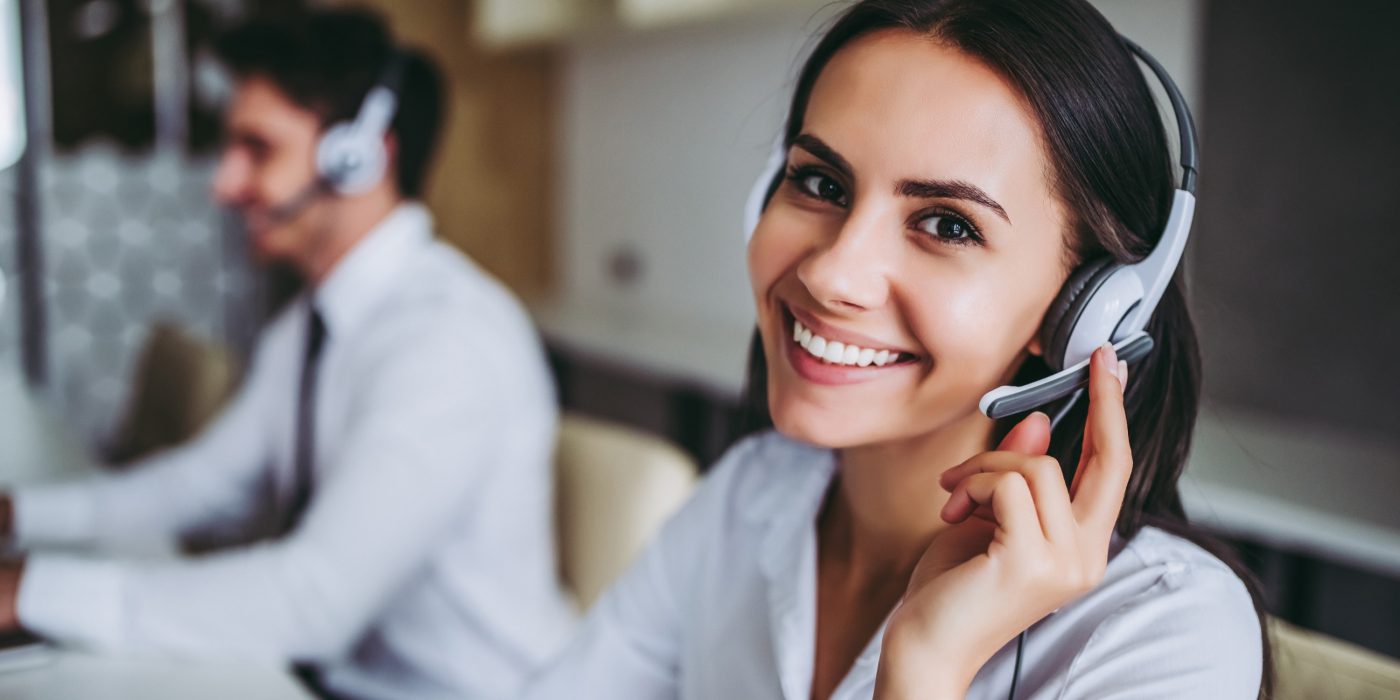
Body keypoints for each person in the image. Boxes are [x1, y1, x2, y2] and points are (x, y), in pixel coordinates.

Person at [523, 0, 1269, 698]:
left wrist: (926, 668)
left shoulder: (1162, 634)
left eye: (947, 225)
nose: (831, 273)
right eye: (819, 181)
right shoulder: (750, 499)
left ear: (1091, 308)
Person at [0, 9, 575, 699]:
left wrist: (29, 592)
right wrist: (18, 518)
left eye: (258, 148)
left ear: (360, 156)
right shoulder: (310, 325)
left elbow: (311, 602)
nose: (223, 182)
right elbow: (201, 484)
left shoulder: (446, 340)